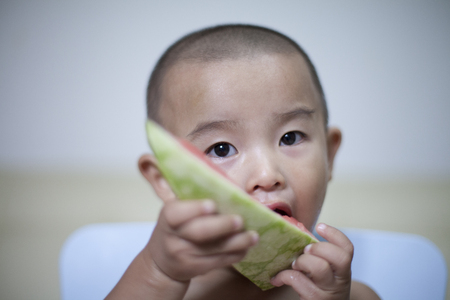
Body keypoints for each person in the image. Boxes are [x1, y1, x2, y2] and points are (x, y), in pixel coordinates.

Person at [106, 24, 380, 300]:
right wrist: (158, 272)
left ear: (329, 156)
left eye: (290, 137)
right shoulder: (164, 290)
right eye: (222, 149)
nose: (266, 174)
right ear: (167, 179)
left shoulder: (350, 295)